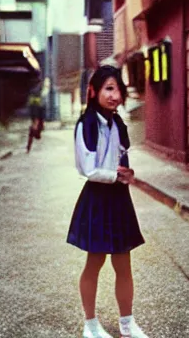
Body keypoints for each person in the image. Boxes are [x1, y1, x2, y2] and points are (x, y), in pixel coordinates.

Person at [67, 65, 148, 338]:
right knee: (95, 261)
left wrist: (125, 173)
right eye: (108, 89)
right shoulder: (87, 123)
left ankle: (127, 323)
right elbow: (87, 169)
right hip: (98, 198)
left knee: (123, 263)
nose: (114, 95)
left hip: (118, 197)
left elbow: (120, 156)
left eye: (118, 89)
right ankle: (90, 324)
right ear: (94, 92)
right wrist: (115, 175)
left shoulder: (118, 123)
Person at [26, 78, 48, 153]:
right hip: (37, 114)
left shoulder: (37, 91)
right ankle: (29, 146)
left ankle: (28, 147)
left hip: (37, 114)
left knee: (34, 130)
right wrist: (36, 118)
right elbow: (37, 105)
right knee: (34, 129)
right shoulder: (38, 91)